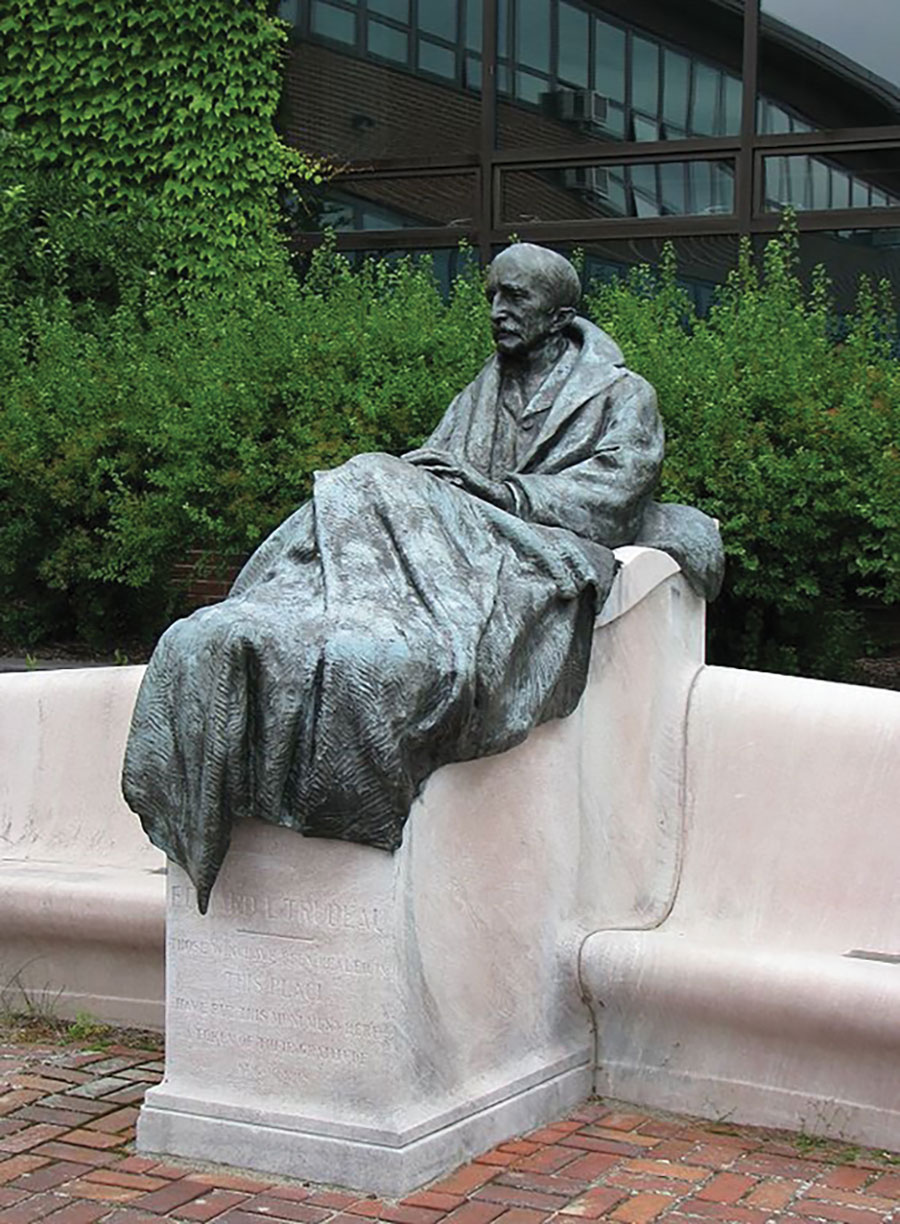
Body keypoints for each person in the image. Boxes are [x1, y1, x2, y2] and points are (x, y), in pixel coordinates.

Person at [122, 243, 722, 912]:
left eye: (515, 299)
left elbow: (616, 495)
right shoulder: (482, 390)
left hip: (538, 545)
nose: (497, 311)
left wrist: (507, 495)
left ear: (560, 317)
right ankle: (291, 601)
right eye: (493, 295)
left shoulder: (621, 395)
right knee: (367, 478)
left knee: (375, 487)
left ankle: (349, 607)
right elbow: (438, 469)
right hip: (458, 537)